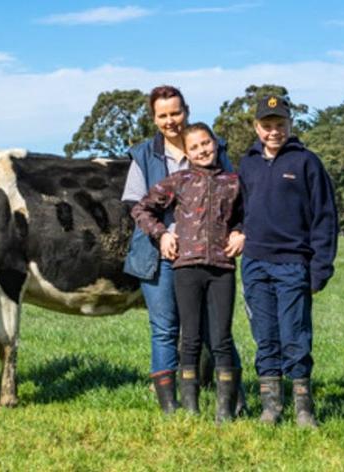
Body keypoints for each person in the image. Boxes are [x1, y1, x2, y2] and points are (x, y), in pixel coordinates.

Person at [122, 86, 244, 415]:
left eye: (175, 113)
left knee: (216, 329)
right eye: (162, 115)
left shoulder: (212, 147)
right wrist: (161, 234)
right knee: (165, 328)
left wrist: (238, 230)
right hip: (159, 253)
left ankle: (236, 399)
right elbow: (135, 205)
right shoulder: (143, 155)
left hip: (210, 255)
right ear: (154, 118)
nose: (170, 121)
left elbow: (235, 198)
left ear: (186, 111)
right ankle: (171, 406)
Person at [238, 95, 338, 427]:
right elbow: (239, 210)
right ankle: (271, 407)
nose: (273, 131)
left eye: (279, 124)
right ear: (257, 127)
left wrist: (320, 269)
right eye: (267, 125)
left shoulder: (307, 162)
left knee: (295, 336)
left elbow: (325, 218)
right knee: (265, 336)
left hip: (293, 264)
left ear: (290, 125)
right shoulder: (247, 164)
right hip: (255, 263)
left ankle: (303, 409)